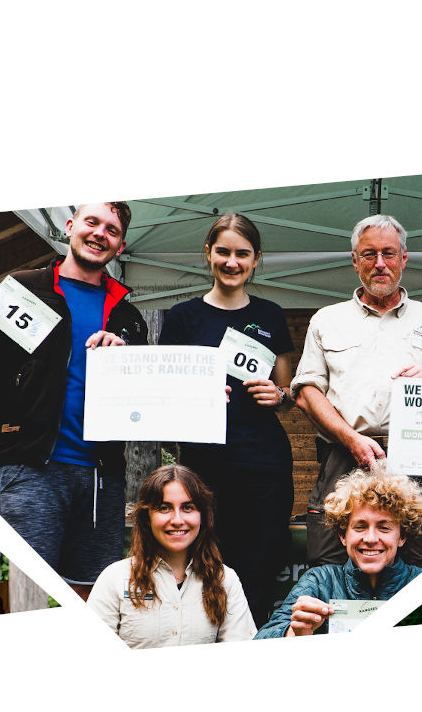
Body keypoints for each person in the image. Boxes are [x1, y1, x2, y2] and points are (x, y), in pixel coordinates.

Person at [0, 201, 150, 598]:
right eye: (92, 223)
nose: (99, 234)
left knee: (92, 596)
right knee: (23, 591)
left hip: (101, 478)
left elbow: (142, 402)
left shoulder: (128, 317)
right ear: (70, 227)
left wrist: (126, 355)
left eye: (111, 230)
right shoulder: (20, 290)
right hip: (30, 467)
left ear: (120, 246)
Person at [292, 214, 422, 569]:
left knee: (420, 567)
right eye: (369, 254)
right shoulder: (327, 320)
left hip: (418, 460)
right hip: (343, 455)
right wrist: (350, 438)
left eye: (388, 253)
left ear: (404, 258)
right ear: (355, 262)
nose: (379, 263)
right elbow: (307, 391)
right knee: (328, 562)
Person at [156, 213, 297, 615]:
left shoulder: (270, 314)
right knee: (205, 566)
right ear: (208, 254)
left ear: (255, 259)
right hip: (205, 465)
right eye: (223, 252)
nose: (232, 262)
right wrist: (192, 394)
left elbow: (285, 392)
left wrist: (279, 394)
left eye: (242, 254)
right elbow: (165, 393)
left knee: (261, 567)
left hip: (265, 465)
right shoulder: (183, 317)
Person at [88, 466, 254, 647]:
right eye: (164, 508)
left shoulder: (225, 580)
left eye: (188, 508)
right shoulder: (115, 578)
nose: (177, 520)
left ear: (203, 516)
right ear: (147, 517)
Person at [256, 469, 422, 638]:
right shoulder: (320, 581)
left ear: (402, 536)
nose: (371, 538)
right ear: (343, 535)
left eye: (384, 528)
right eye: (360, 526)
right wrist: (294, 632)